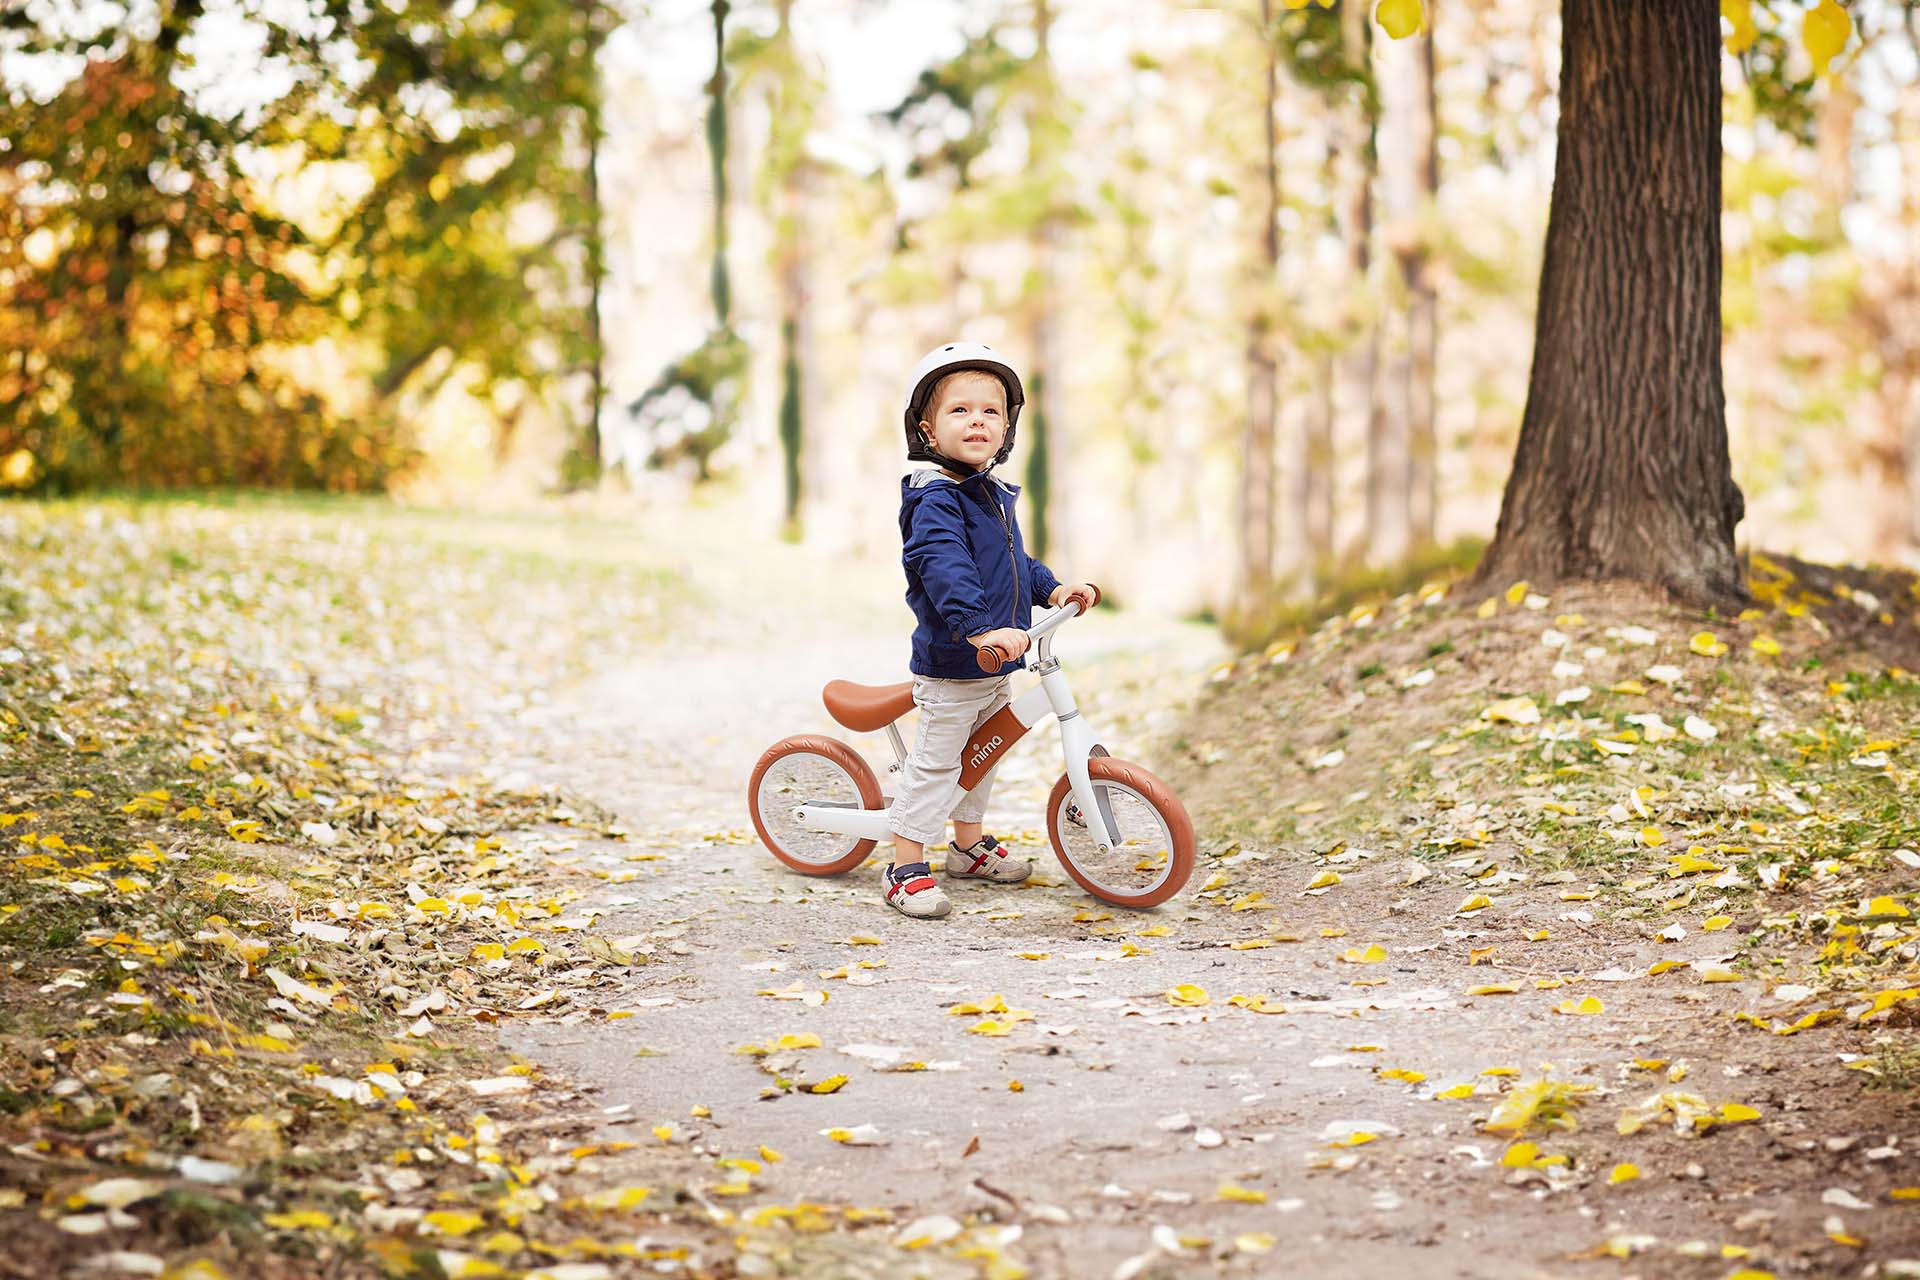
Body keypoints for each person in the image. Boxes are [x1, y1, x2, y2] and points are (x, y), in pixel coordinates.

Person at [884, 342, 1100, 919]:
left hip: (995, 662)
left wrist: (1051, 590)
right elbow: (945, 566)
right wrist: (980, 629)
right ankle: (906, 865)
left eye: (991, 411)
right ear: (928, 431)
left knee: (982, 757)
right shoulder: (934, 499)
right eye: (960, 410)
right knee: (939, 763)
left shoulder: (992, 496)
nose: (977, 419)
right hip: (956, 663)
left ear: (1006, 428)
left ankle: (966, 845)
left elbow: (1013, 564)